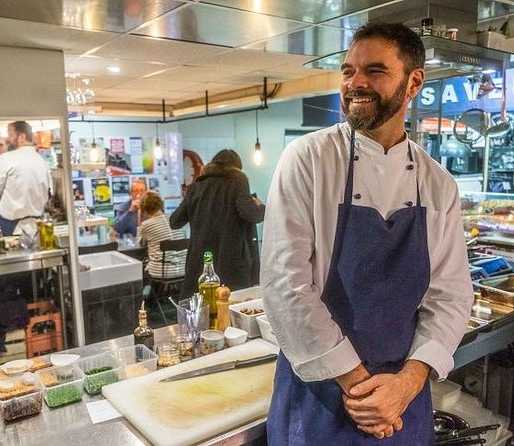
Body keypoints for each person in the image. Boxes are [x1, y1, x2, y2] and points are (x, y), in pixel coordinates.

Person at [260, 22, 474, 445]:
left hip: (401, 399)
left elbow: (450, 296)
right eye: (347, 71)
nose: (355, 83)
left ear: (413, 83)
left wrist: (407, 383)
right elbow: (286, 286)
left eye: (374, 71)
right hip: (319, 392)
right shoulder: (308, 160)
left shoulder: (438, 183)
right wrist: (362, 388)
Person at [170, 149, 265, 297]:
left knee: (203, 311)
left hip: (200, 264)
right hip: (230, 263)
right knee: (229, 310)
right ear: (237, 168)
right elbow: (252, 214)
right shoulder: (237, 181)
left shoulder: (196, 187)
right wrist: (260, 206)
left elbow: (174, 222)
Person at [0, 121, 52, 236]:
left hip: (8, 226)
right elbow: (48, 193)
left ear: (22, 137)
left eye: (10, 135)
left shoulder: (6, 159)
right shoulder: (42, 162)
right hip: (35, 228)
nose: (7, 140)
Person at [137, 190, 186, 282]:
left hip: (162, 272)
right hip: (184, 269)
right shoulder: (175, 219)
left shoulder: (146, 225)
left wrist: (140, 219)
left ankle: (148, 296)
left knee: (139, 270)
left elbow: (140, 245)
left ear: (143, 208)